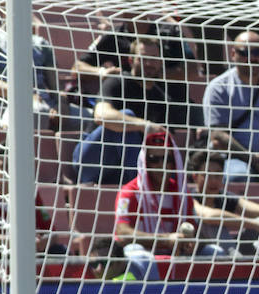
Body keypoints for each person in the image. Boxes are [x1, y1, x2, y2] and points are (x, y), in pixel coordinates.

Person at [74, 35, 192, 185]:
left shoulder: (162, 98)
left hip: (121, 170)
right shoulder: (116, 82)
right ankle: (140, 186)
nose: (149, 63)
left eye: (154, 58)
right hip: (92, 161)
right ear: (131, 61)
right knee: (127, 117)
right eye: (143, 58)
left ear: (161, 63)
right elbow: (101, 115)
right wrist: (145, 126)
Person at [114, 129, 223, 280]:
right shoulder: (129, 193)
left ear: (174, 161)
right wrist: (166, 239)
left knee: (214, 252)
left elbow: (196, 231)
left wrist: (191, 241)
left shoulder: (181, 193)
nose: (161, 164)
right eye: (154, 159)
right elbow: (122, 233)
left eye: (166, 159)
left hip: (177, 253)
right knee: (138, 254)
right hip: (144, 254)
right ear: (145, 161)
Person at [202, 29, 259, 181]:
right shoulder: (218, 87)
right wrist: (254, 160)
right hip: (236, 158)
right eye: (244, 53)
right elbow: (217, 135)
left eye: (257, 52)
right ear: (233, 54)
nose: (251, 58)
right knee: (238, 177)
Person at [188, 149, 259, 256]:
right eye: (207, 175)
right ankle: (236, 263)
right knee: (214, 225)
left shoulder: (225, 197)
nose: (213, 180)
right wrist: (256, 224)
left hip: (229, 250)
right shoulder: (189, 197)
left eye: (218, 175)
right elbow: (209, 216)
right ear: (195, 177)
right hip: (198, 253)